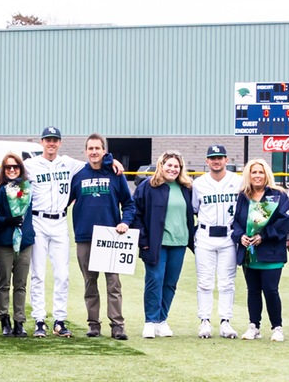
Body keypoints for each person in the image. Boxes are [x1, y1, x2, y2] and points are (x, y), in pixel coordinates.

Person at [70, 135, 136, 339]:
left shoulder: (115, 174)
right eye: (90, 148)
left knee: (113, 283)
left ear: (104, 151)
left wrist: (125, 221)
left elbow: (129, 203)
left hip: (110, 237)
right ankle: (93, 324)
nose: (94, 152)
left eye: (98, 148)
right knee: (90, 283)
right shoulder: (78, 175)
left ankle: (117, 325)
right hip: (84, 236)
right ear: (85, 151)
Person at [21, 128, 82, 336]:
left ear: (60, 143)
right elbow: (7, 169)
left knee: (62, 274)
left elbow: (94, 164)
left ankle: (60, 319)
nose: (51, 143)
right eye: (48, 140)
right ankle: (39, 319)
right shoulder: (30, 164)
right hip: (38, 220)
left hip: (60, 221)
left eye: (55, 140)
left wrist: (113, 161)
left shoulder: (68, 163)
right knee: (38, 273)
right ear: (41, 142)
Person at [127, 151, 193, 339]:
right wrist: (143, 240)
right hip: (156, 243)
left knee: (170, 283)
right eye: (169, 165)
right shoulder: (147, 187)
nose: (172, 169)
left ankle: (162, 320)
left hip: (179, 243)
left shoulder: (186, 188)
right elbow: (136, 214)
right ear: (161, 165)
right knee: (154, 280)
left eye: (176, 166)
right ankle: (150, 320)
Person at [232, 162, 289, 340]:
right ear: (248, 175)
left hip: (271, 252)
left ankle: (277, 327)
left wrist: (263, 236)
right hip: (249, 253)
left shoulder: (277, 195)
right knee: (253, 290)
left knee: (270, 290)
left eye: (260, 172)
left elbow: (284, 223)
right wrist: (240, 236)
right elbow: (236, 222)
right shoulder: (244, 197)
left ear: (267, 174)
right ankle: (254, 326)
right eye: (253, 172)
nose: (257, 175)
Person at [190, 145, 242, 340]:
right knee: (204, 281)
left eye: (220, 157)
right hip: (205, 236)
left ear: (226, 160)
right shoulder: (199, 183)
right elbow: (195, 208)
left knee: (227, 282)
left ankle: (225, 321)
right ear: (207, 161)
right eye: (212, 158)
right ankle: (204, 321)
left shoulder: (237, 181)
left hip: (229, 236)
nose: (216, 161)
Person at [0, 153, 34, 336]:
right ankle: (4, 318)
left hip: (24, 242)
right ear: (3, 169)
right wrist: (6, 220)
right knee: (4, 283)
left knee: (21, 284)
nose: (12, 170)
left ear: (21, 168)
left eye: (15, 166)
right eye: (8, 167)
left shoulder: (27, 188)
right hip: (3, 241)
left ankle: (19, 321)